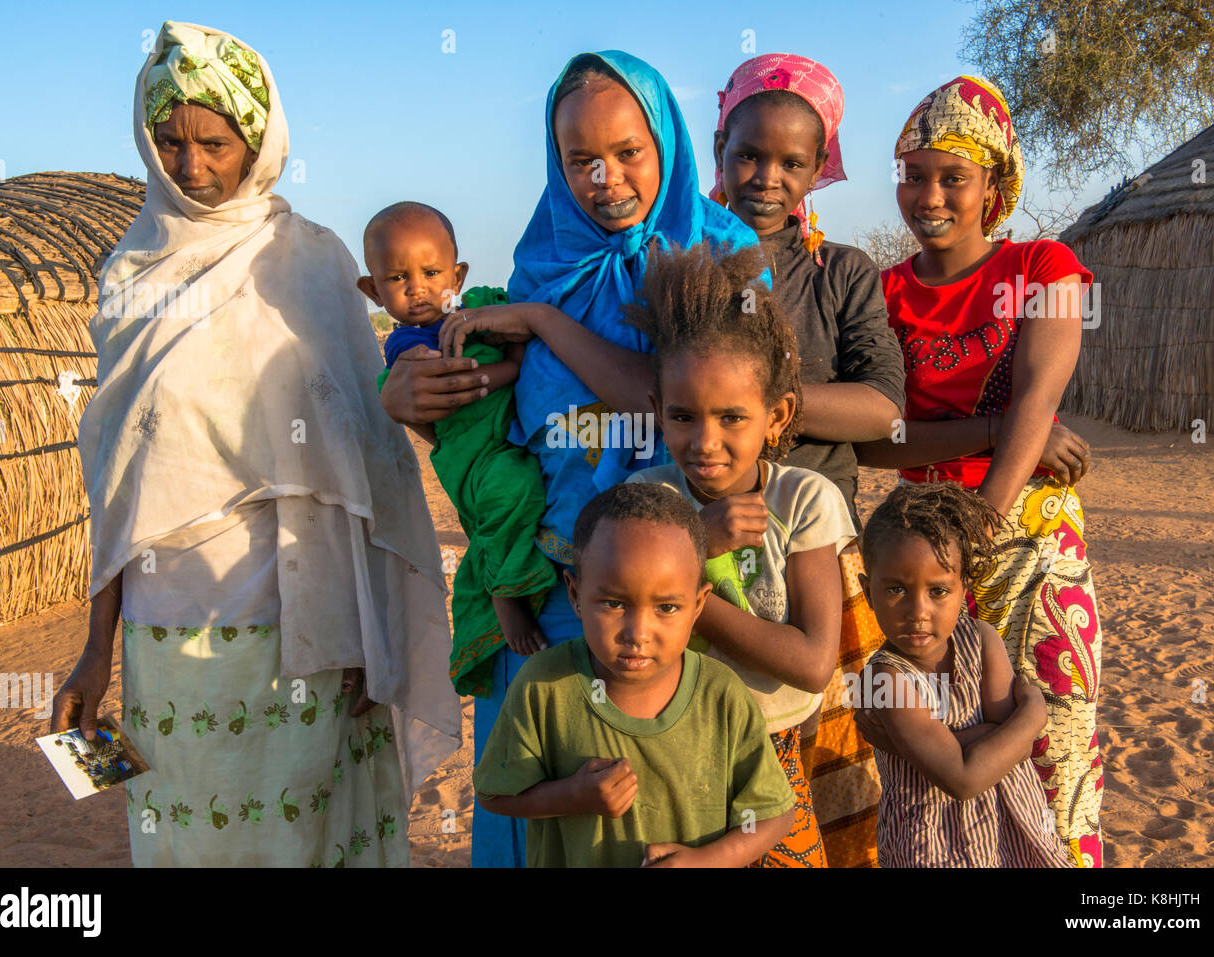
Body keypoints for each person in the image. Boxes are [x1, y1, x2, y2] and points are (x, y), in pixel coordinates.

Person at [50, 21, 460, 867]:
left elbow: (367, 468)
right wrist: (97, 650)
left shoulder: (310, 263)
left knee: (306, 832)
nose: (190, 165)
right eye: (168, 142)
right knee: (192, 828)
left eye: (214, 142)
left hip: (306, 625)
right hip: (170, 635)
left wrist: (365, 633)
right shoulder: (134, 272)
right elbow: (120, 486)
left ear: (258, 140)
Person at [386, 50, 759, 867]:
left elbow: (659, 399)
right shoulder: (542, 263)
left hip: (667, 592)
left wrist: (545, 323)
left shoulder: (717, 261)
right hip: (556, 583)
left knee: (656, 804)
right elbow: (498, 431)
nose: (605, 177)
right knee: (538, 795)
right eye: (579, 159)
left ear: (667, 144)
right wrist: (408, 401)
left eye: (628, 151)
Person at [857, 75, 1103, 867]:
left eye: (953, 177)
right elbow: (876, 442)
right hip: (925, 560)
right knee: (949, 771)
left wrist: (985, 515)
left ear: (993, 185)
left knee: (1056, 752)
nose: (929, 195)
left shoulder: (1042, 266)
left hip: (1027, 541)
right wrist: (994, 431)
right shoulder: (884, 294)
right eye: (914, 175)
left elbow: (1041, 396)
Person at [709, 53, 905, 866]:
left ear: (819, 168)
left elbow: (882, 409)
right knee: (724, 772)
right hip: (713, 540)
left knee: (838, 775)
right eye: (748, 154)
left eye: (793, 161)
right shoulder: (686, 261)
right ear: (718, 147)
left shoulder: (842, 272)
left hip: (823, 554)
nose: (767, 176)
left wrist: (753, 410)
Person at [624, 243, 852, 867]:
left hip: (771, 749)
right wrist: (695, 543)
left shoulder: (804, 499)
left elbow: (810, 665)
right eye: (682, 416)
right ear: (656, 413)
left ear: (776, 416)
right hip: (666, 750)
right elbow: (617, 628)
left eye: (732, 417)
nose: (705, 442)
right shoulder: (644, 501)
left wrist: (680, 588)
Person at [473, 482, 796, 867]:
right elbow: (495, 793)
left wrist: (706, 860)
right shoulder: (544, 686)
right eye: (613, 603)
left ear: (698, 605)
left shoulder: (720, 695)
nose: (637, 633)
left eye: (667, 607)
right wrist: (571, 797)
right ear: (575, 595)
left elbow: (772, 813)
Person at [360, 202, 555, 696]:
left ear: (458, 273)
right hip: (478, 452)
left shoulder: (476, 313)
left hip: (507, 436)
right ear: (373, 291)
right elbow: (468, 386)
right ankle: (504, 595)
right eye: (397, 278)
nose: (417, 288)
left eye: (430, 272)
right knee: (510, 493)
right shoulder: (408, 348)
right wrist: (509, 366)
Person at [854, 482, 1073, 868]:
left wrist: (929, 745)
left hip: (1012, 831)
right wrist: (1031, 716)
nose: (918, 611)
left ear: (964, 588)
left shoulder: (981, 639)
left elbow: (1019, 748)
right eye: (896, 590)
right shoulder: (886, 678)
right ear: (868, 591)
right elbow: (962, 778)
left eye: (938, 591)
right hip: (933, 847)